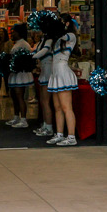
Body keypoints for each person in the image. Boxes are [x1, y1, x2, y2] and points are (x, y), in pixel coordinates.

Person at [39, 13, 79, 145]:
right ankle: (60, 134)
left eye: (61, 21)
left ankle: (71, 136)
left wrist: (55, 29)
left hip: (63, 72)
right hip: (55, 73)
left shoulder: (71, 36)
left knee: (66, 107)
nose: (59, 23)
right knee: (57, 107)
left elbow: (63, 35)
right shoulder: (56, 39)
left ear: (67, 23)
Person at [5, 23, 38, 128]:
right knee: (14, 96)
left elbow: (23, 61)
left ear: (18, 33)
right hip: (15, 74)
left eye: (13, 32)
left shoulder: (23, 44)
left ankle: (23, 119)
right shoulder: (18, 43)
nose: (12, 34)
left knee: (20, 96)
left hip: (21, 74)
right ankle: (16, 117)